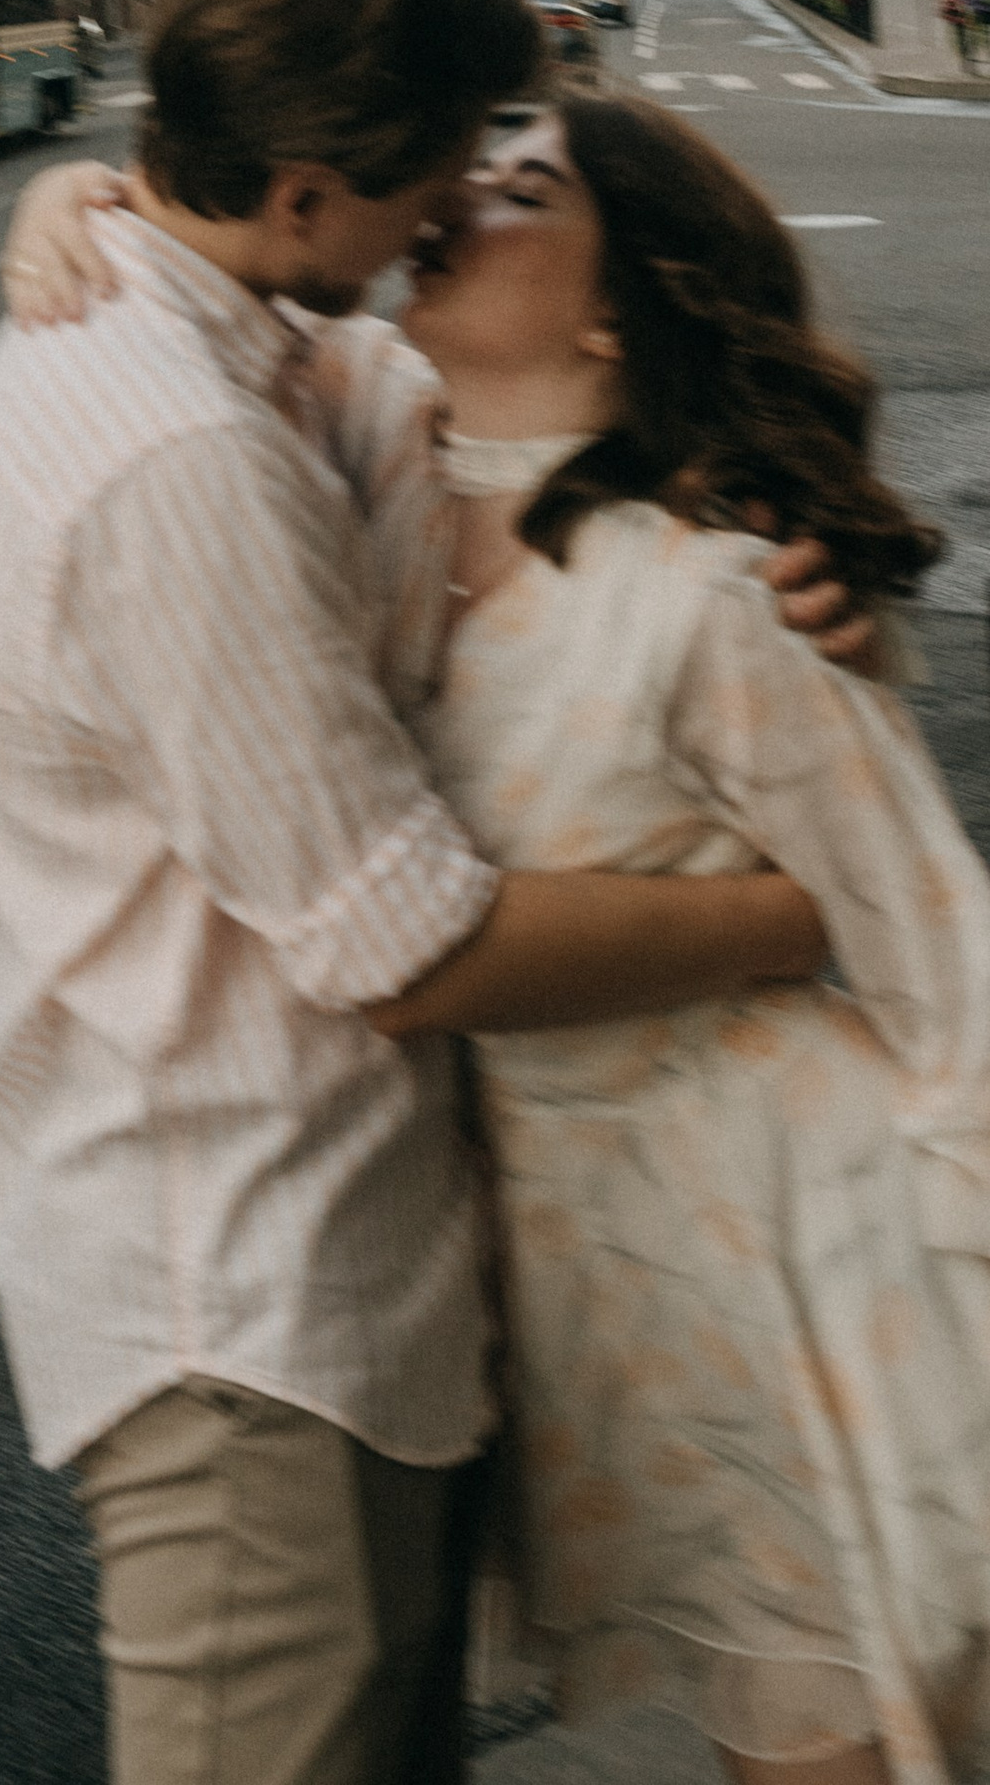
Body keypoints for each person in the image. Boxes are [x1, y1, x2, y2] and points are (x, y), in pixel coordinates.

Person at [0, 0, 871, 1785]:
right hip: (244, 1308)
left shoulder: (264, 348)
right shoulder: (173, 443)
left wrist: (817, 566)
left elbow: (514, 413)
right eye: (439, 168)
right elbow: (404, 948)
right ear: (303, 197)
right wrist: (802, 910)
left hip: (347, 1277)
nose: (459, 198)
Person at [388, 96, 985, 1785]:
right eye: (469, 159)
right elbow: (194, 272)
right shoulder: (367, 484)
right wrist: (71, 204)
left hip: (789, 1261)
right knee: (746, 1726)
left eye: (522, 187)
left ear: (613, 307)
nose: (461, 190)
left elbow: (936, 942)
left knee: (819, 1743)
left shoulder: (707, 595)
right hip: (593, 1267)